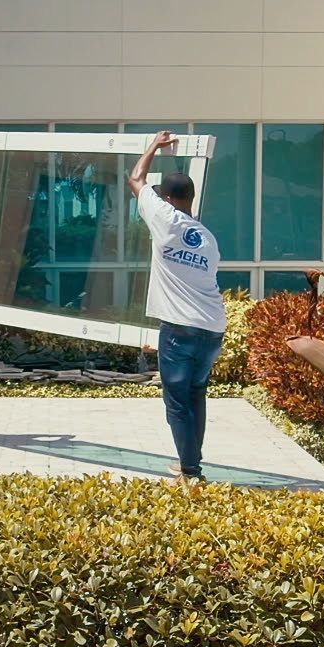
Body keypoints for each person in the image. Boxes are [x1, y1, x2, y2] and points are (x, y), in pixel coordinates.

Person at [128, 130, 227, 482]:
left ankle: (191, 471)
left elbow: (135, 178)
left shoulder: (165, 219)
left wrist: (155, 145)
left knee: (177, 402)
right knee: (196, 394)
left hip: (179, 330)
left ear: (168, 199)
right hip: (212, 329)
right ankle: (190, 463)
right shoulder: (207, 239)